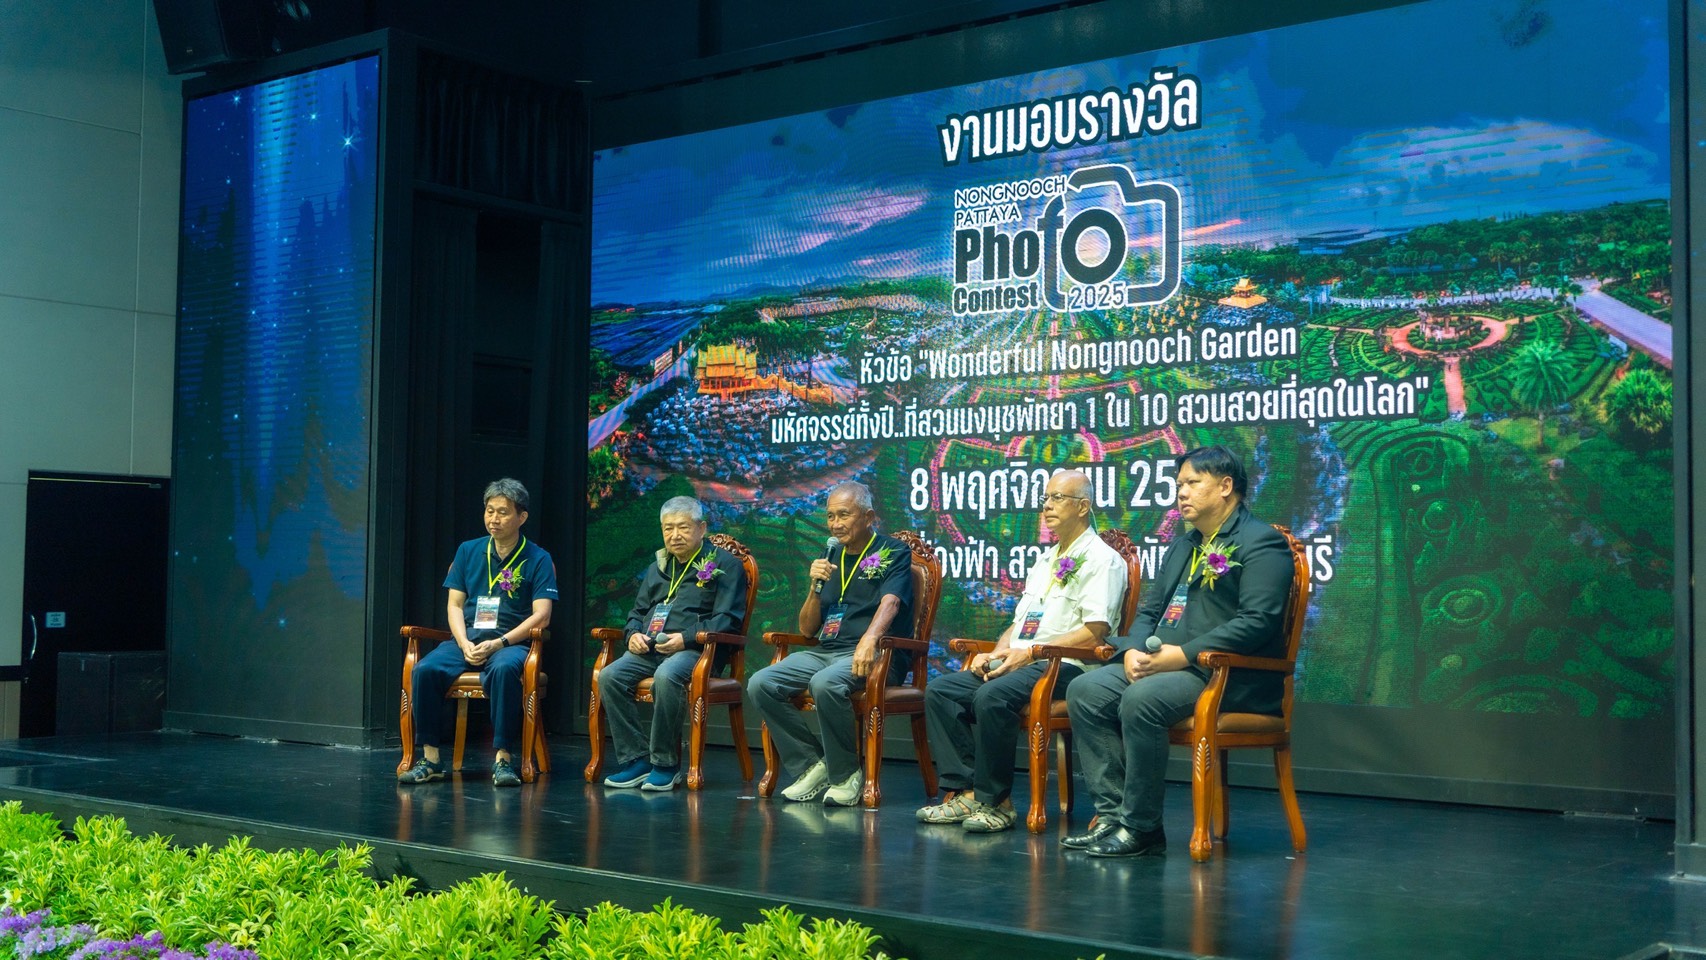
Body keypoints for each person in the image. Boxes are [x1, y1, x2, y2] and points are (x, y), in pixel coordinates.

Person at [1064, 445, 1293, 856]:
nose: (1181, 493)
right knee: (1087, 690)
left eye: (1192, 483)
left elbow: (1258, 621)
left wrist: (1183, 655)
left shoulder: (1262, 542)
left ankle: (1142, 827)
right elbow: (1151, 610)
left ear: (1226, 487)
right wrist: (1133, 650)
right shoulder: (1184, 545)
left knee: (1141, 699)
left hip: (1226, 676)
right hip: (1168, 666)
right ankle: (1114, 817)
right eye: (1178, 485)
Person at [915, 470, 1127, 833]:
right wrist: (996, 653)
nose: (1046, 505)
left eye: (1057, 498)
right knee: (941, 692)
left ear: (1083, 506)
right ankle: (966, 791)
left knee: (992, 696)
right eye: (1045, 497)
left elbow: (1096, 633)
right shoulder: (1046, 560)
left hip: (1070, 666)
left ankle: (997, 802)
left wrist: (1031, 654)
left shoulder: (1101, 559)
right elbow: (1020, 624)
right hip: (1025, 661)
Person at [747, 480, 914, 805]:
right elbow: (808, 629)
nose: (836, 524)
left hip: (877, 655)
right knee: (761, 682)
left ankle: (846, 775)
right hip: (828, 649)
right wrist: (814, 586)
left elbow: (891, 603)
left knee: (825, 684)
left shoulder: (892, 551)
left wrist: (870, 639)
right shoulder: (830, 557)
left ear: (869, 516)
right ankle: (813, 764)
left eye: (844, 515)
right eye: (831, 516)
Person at [399, 479, 558, 788]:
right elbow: (455, 605)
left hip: (511, 642)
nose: (493, 519)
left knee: (504, 669)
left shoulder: (538, 558)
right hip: (468, 639)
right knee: (425, 670)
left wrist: (500, 642)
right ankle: (430, 759)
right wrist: (463, 642)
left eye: (502, 512)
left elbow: (542, 614)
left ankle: (502, 759)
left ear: (521, 517)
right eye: (489, 511)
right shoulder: (468, 550)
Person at [597, 496, 749, 791]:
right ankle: (636, 760)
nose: (674, 535)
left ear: (701, 528)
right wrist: (633, 635)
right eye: (668, 529)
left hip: (699, 650)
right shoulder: (658, 566)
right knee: (609, 676)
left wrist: (686, 638)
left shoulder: (725, 564)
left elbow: (728, 619)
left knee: (667, 677)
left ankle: (665, 764)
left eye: (682, 527)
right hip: (652, 648)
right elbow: (637, 612)